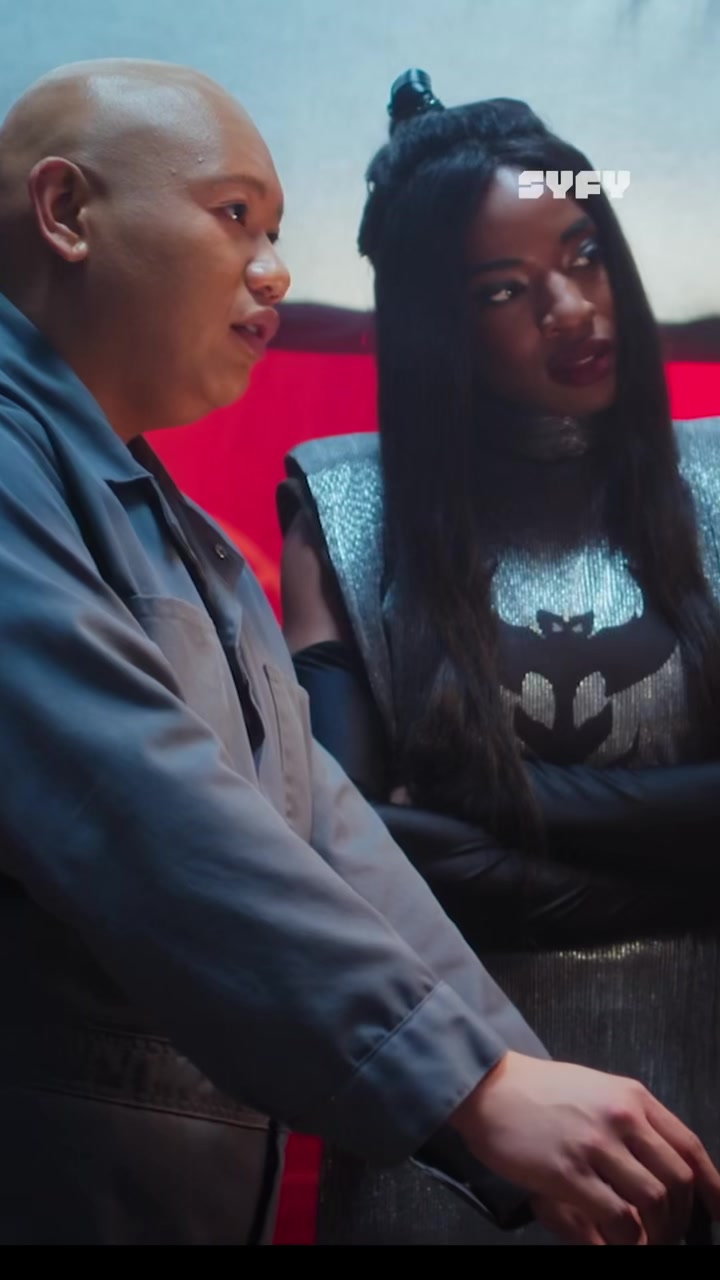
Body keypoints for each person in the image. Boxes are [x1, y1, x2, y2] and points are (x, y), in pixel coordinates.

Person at [0, 59, 716, 1249]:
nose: (274, 270)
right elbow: (145, 806)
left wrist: (505, 1078)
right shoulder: (325, 504)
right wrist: (479, 1086)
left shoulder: (179, 532)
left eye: (276, 231)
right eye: (236, 215)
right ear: (67, 210)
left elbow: (320, 822)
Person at [278, 71, 720, 1245]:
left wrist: (484, 801)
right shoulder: (342, 506)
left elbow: (411, 832)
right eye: (506, 289)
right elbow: (343, 848)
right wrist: (685, 860)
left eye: (585, 255)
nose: (572, 307)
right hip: (460, 1138)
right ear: (439, 323)